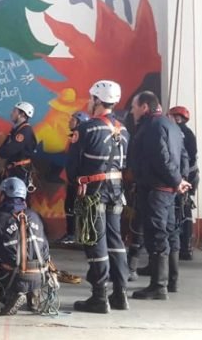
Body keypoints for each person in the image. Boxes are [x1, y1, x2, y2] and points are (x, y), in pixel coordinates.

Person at [66, 81, 130, 313]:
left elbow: (72, 166)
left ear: (97, 100)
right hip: (117, 190)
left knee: (95, 240)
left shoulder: (87, 129)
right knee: (116, 240)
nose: (89, 102)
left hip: (94, 191)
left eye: (91, 98)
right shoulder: (124, 130)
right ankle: (120, 294)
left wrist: (77, 181)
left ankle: (99, 297)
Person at [129, 91, 191, 300]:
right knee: (170, 232)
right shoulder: (171, 125)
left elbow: (161, 157)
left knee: (156, 235)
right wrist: (180, 180)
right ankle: (172, 280)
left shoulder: (152, 127)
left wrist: (176, 180)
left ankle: (158, 286)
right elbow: (183, 155)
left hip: (156, 189)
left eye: (134, 107)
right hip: (169, 190)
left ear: (144, 106)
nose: (132, 111)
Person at [0, 177, 54, 316]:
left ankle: (11, 297)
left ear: (3, 195)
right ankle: (33, 295)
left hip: (12, 276)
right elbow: (45, 249)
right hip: (40, 276)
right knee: (31, 256)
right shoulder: (35, 216)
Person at [168, 106, 199, 260]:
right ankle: (186, 247)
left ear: (177, 118)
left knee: (178, 210)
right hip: (190, 176)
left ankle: (180, 247)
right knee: (185, 209)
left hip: (182, 177)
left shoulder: (176, 133)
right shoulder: (189, 133)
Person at [58, 111, 91, 245]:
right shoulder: (74, 138)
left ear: (80, 123)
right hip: (72, 179)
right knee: (70, 206)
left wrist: (77, 179)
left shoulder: (81, 139)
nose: (69, 122)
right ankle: (71, 234)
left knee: (78, 207)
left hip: (79, 180)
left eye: (73, 120)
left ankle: (80, 236)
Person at [0, 102, 37, 190]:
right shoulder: (17, 129)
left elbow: (10, 150)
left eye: (14, 111)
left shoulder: (25, 131)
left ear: (22, 114)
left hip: (19, 173)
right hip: (14, 170)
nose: (11, 113)